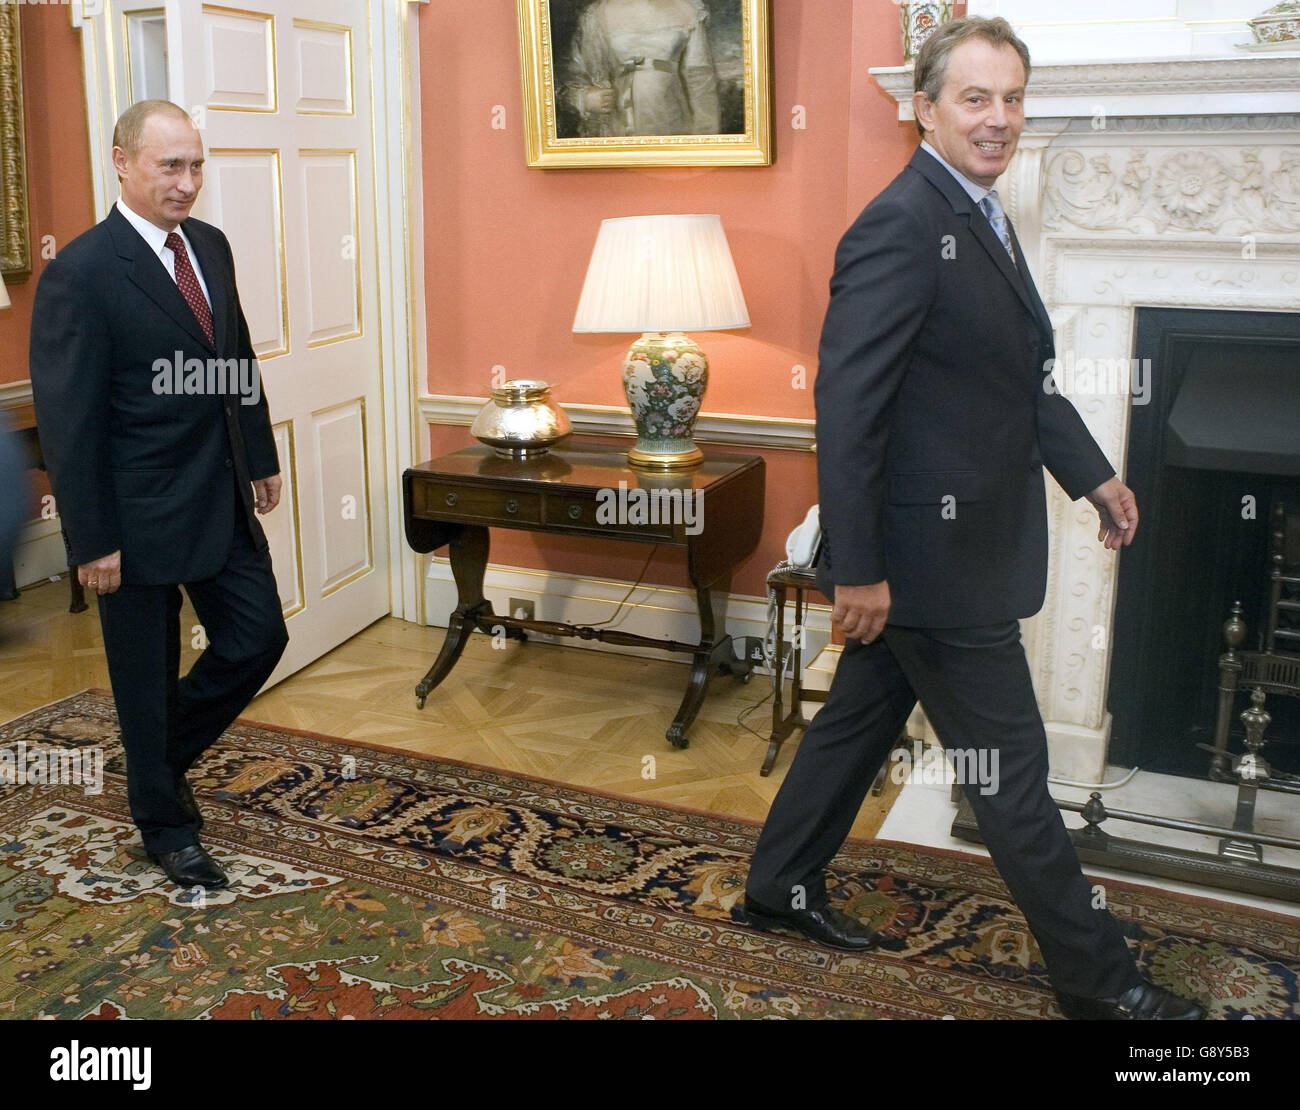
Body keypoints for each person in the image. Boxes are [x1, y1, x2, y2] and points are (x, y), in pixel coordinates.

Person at [734, 18, 1204, 1021]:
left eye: (1013, 98)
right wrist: (856, 568)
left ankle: (777, 884)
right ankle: (1100, 985)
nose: (999, 120)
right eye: (975, 99)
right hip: (924, 565)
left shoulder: (976, 213)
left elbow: (1015, 382)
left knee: (855, 728)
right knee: (1012, 782)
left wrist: (1091, 476)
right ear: (922, 107)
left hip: (939, 553)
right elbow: (847, 405)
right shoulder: (900, 224)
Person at [30, 100, 287, 890]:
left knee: (257, 639)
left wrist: (261, 452)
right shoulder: (80, 271)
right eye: (169, 166)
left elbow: (234, 354)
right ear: (121, 162)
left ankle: (153, 761)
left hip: (219, 493)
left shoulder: (208, 245)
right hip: (132, 518)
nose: (187, 182)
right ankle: (165, 825)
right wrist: (90, 539)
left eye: (196, 165)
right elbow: (69, 421)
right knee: (144, 673)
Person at [565, 0, 720, 136]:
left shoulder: (686, 9)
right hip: (619, 119)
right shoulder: (597, 14)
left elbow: (700, 77)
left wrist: (706, 134)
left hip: (671, 116)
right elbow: (573, 77)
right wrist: (586, 98)